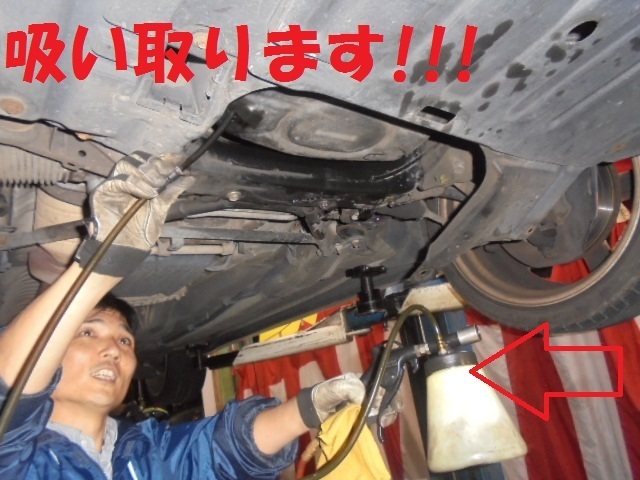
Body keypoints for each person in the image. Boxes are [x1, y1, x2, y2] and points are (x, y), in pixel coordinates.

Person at [0, 153, 367, 479]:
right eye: (88, 333)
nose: (114, 350)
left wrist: (311, 407)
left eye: (125, 340)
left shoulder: (144, 452)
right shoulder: (16, 456)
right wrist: (103, 265)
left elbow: (218, 453)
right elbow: (9, 391)